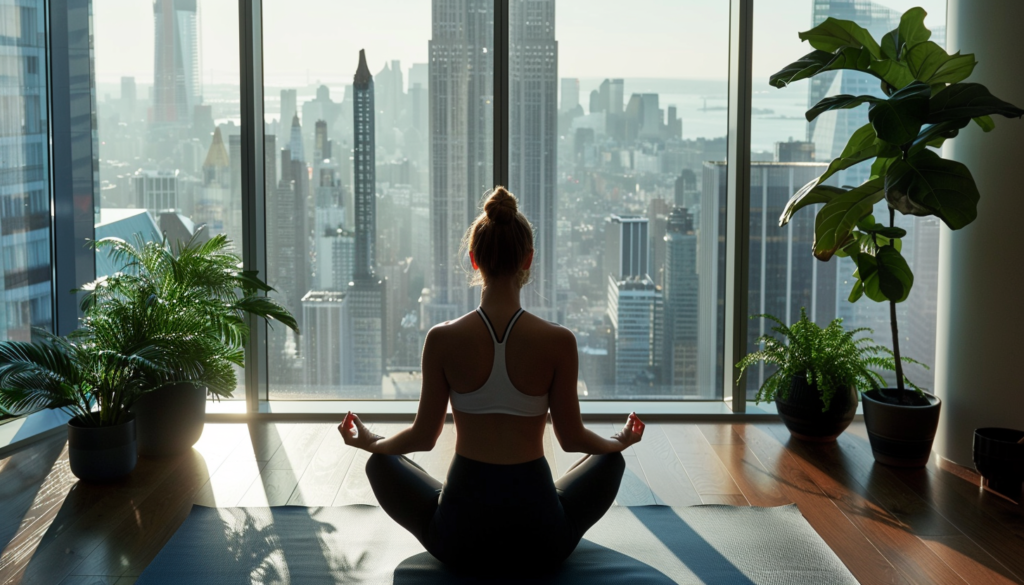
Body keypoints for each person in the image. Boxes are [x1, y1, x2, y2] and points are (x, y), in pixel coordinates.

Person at [340, 186, 645, 574]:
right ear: (528, 259)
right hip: (541, 541)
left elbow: (422, 437)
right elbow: (571, 440)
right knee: (610, 462)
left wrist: (371, 442)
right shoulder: (559, 342)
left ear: (473, 260)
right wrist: (619, 441)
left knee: (380, 464)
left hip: (458, 539)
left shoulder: (441, 339)